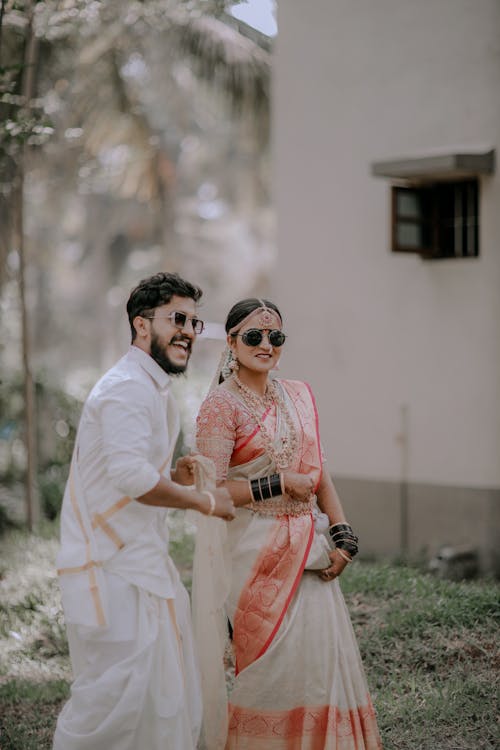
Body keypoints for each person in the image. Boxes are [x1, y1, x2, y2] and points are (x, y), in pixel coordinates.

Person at [53, 272, 235, 750]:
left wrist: (176, 476)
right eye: (178, 319)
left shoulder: (150, 388)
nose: (189, 332)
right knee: (109, 707)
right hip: (111, 570)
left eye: (195, 323)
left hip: (141, 564)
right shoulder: (127, 388)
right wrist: (205, 502)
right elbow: (132, 479)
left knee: (161, 698)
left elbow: (129, 473)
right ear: (141, 325)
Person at [193, 298, 382, 750]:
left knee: (319, 665)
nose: (265, 344)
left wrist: (343, 534)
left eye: (275, 336)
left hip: (311, 550)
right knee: (274, 669)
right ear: (232, 342)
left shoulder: (296, 393)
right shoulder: (219, 407)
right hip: (254, 554)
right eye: (254, 336)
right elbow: (211, 493)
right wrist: (274, 483)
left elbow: (320, 471)